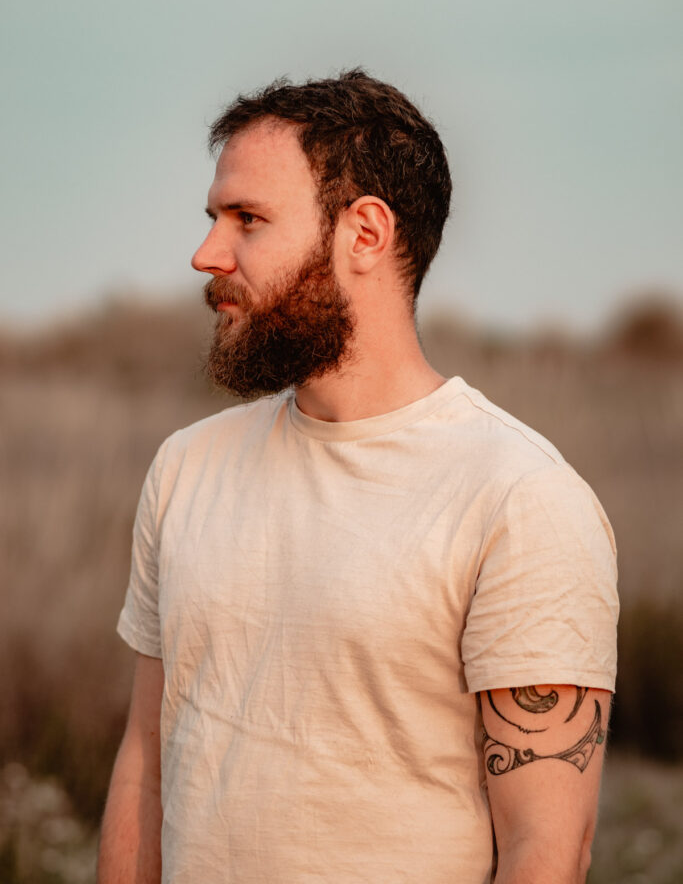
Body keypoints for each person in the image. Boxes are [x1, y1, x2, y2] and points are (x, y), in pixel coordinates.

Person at [97, 70, 618, 884]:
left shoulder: (519, 498)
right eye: (213, 219)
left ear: (365, 234)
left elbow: (545, 850)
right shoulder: (185, 468)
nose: (206, 255)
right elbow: (144, 761)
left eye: (248, 220)